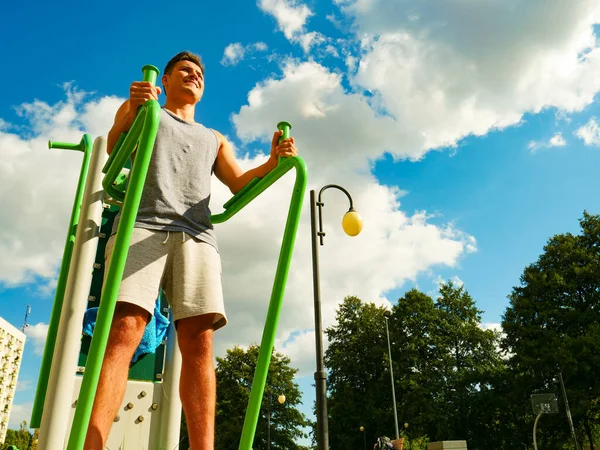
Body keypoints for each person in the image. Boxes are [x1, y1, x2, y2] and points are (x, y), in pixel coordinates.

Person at [84, 51, 298, 450]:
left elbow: (237, 182)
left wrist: (272, 162)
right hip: (142, 223)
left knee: (199, 342)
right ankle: (92, 444)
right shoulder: (147, 109)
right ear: (165, 80)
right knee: (124, 330)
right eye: (185, 70)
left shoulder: (213, 137)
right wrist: (131, 108)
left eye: (199, 73)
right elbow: (114, 147)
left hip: (198, 235)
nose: (194, 76)